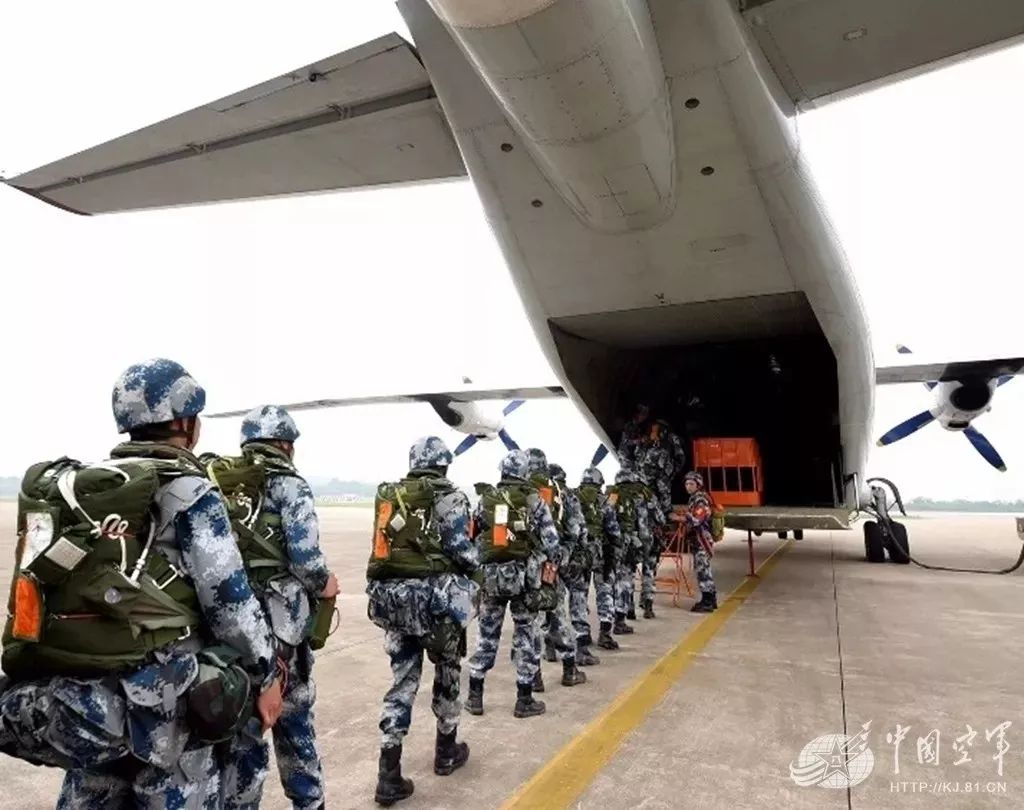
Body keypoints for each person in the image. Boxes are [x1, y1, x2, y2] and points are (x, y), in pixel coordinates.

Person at [0, 358, 282, 808]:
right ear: (187, 422)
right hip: (168, 707)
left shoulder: (94, 492)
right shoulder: (192, 492)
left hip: (91, 698)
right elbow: (231, 604)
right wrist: (267, 675)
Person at [216, 405, 338, 810]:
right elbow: (305, 559)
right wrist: (325, 585)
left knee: (242, 735)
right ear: (286, 445)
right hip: (282, 626)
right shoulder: (291, 485)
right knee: (294, 721)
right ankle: (308, 803)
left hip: (230, 625)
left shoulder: (218, 483)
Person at [365, 436, 480, 806]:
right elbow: (462, 551)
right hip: (437, 605)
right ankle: (446, 752)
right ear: (444, 464)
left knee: (402, 681)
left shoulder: (390, 495)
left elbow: (380, 551)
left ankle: (388, 774)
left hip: (396, 604)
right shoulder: (452, 497)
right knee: (447, 673)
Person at [466, 449, 560, 719]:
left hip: (492, 578)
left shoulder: (486, 498)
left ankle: (475, 696)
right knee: (525, 635)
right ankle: (524, 699)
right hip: (525, 579)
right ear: (524, 471)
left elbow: (473, 534)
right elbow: (552, 541)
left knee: (486, 636)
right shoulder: (534, 499)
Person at [576, 466, 623, 652]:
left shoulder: (573, 499)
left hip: (580, 556)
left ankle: (582, 634)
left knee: (580, 593)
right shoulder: (604, 502)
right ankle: (605, 633)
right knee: (605, 592)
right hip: (601, 556)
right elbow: (614, 532)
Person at [606, 466, 655, 635]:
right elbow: (642, 523)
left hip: (613, 543)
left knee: (612, 580)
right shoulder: (637, 496)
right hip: (629, 543)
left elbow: (607, 514)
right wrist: (643, 544)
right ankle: (620, 620)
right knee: (626, 581)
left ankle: (616, 615)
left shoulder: (612, 494)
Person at [682, 471, 718, 613]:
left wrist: (685, 517)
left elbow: (698, 519)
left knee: (703, 571)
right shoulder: (694, 498)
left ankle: (707, 601)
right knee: (704, 570)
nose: (688, 486)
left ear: (698, 485)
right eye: (686, 484)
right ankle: (711, 599)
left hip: (702, 540)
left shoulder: (700, 499)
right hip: (697, 540)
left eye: (691, 484)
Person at [616, 403, 651, 469]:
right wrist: (639, 440)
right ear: (637, 414)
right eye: (643, 414)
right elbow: (624, 442)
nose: (644, 417)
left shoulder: (638, 427)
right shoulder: (628, 424)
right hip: (622, 456)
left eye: (645, 415)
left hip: (630, 457)